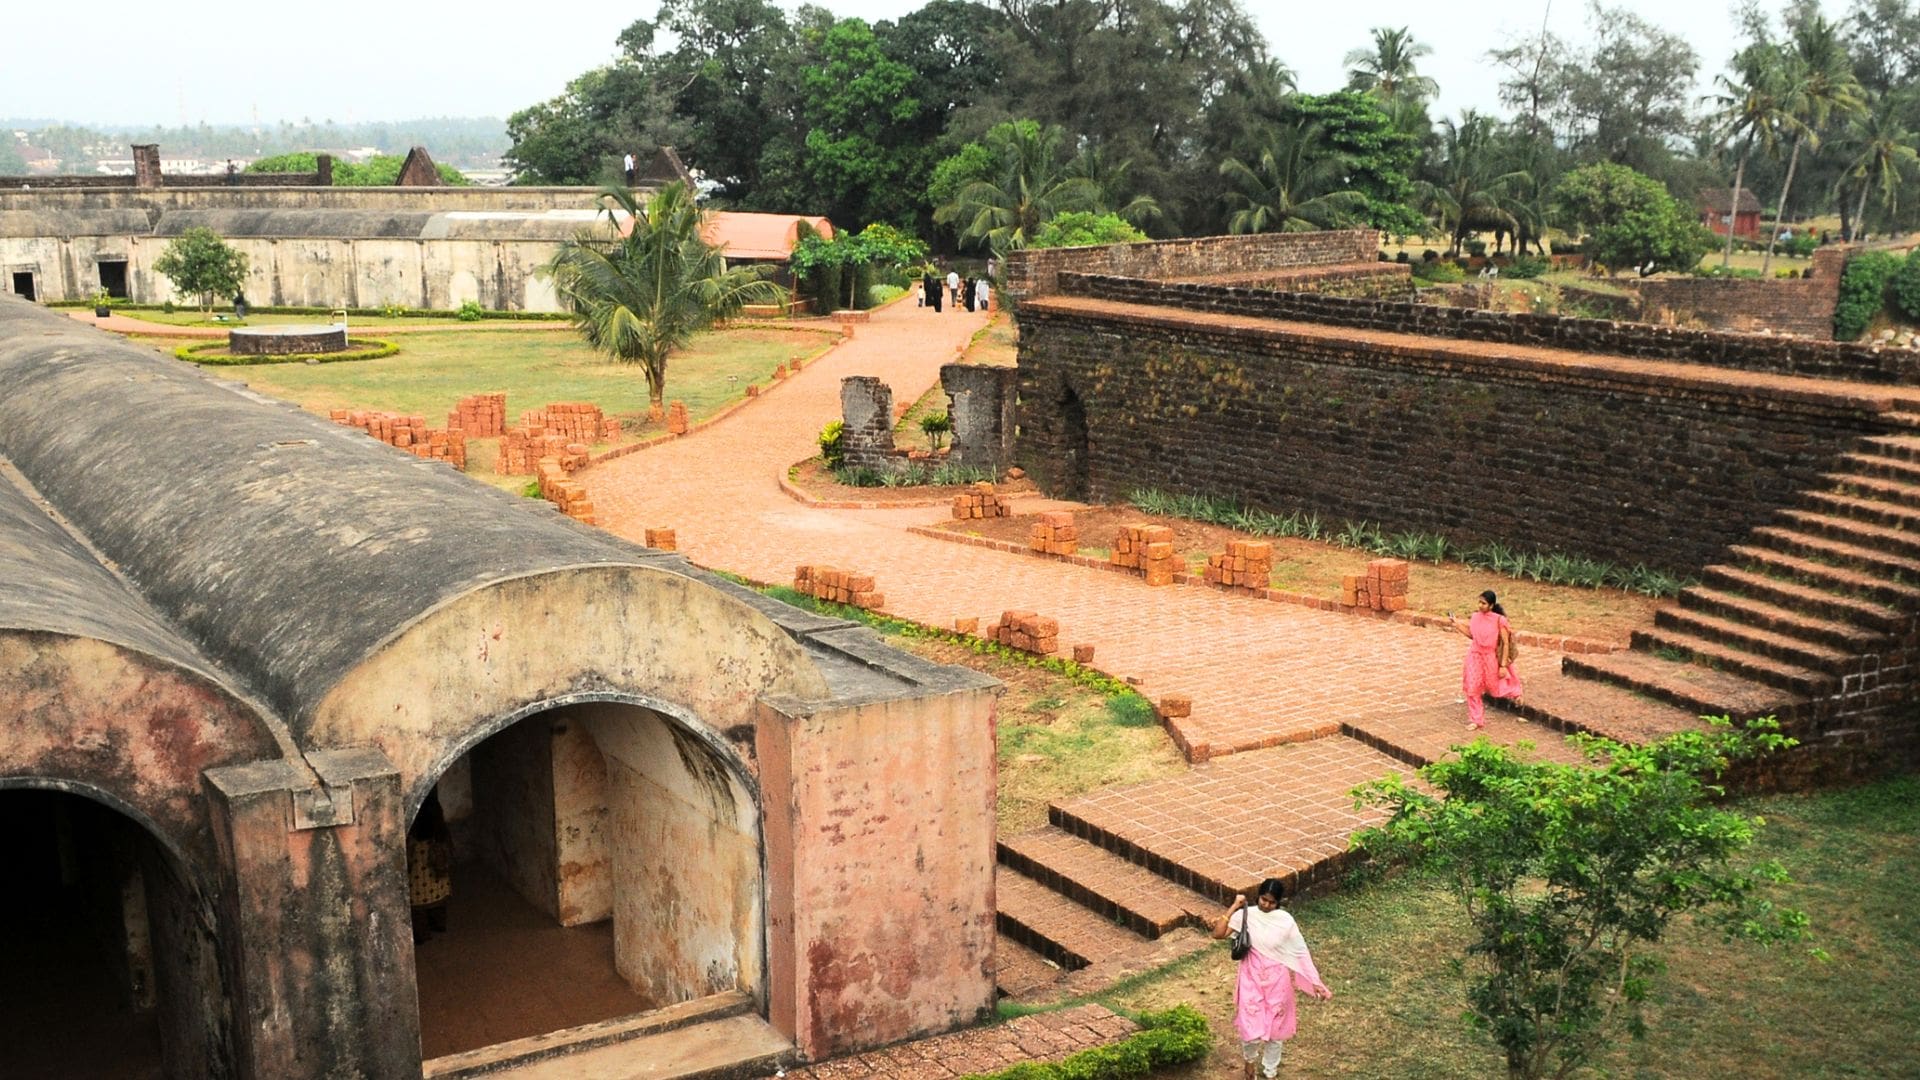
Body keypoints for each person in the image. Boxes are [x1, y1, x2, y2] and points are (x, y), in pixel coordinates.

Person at [1213, 878, 1331, 1080]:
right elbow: (1218, 934)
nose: (1266, 905)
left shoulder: (1285, 921)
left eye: (1272, 902)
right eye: (1263, 900)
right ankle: (1249, 1062)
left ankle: (1270, 1071)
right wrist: (1234, 906)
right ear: (1258, 896)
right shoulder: (1246, 916)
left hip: (1278, 981)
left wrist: (1315, 981)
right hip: (1251, 979)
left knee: (1276, 1030)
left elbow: (1300, 953)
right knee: (1249, 1026)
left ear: (1278, 902)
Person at [1447, 589, 1521, 729]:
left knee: (1494, 686)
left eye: (1484, 603)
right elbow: (1472, 635)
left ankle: (1515, 692)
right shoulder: (1475, 617)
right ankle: (1476, 719)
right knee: (1472, 686)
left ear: (1491, 605)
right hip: (1474, 656)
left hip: (1490, 657)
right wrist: (1457, 625)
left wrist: (1503, 665)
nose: (1480, 605)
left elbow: (1505, 643)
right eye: (1479, 602)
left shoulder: (1499, 620)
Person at [408, 789, 453, 944]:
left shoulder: (412, 839)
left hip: (417, 882)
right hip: (438, 878)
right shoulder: (440, 833)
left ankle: (422, 935)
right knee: (439, 906)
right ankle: (439, 925)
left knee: (418, 913)